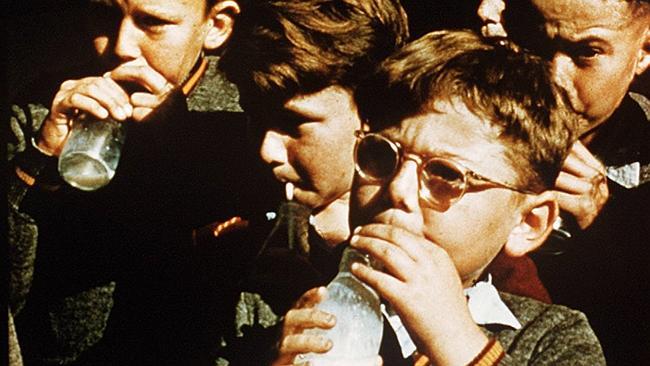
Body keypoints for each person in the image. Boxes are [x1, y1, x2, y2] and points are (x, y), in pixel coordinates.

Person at [273, 29, 606, 366]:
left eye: (446, 174)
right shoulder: (282, 303)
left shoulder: (553, 338)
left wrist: (456, 342)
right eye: (380, 155)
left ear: (528, 223)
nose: (398, 190)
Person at [7, 0, 270, 364]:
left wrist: (186, 146)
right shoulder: (44, 110)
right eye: (105, 14)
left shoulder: (260, 118)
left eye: (152, 22)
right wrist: (38, 160)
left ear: (217, 26)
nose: (121, 46)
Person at [213, 0, 409, 363]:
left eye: (293, 124)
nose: (266, 149)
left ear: (374, 118)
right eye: (254, 117)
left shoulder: (431, 259)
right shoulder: (234, 253)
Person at [477, 0, 650, 363]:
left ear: (644, 51)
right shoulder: (462, 121)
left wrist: (607, 224)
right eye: (538, 45)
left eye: (587, 52)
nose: (554, 76)